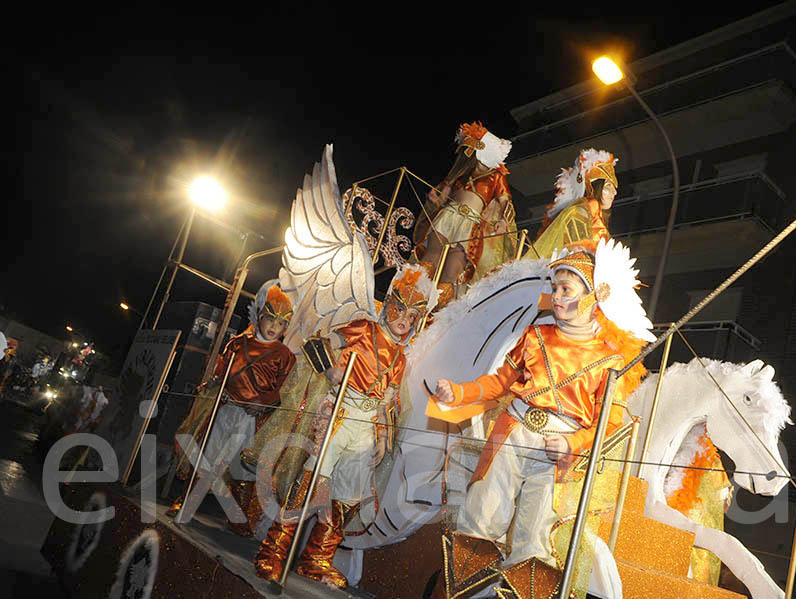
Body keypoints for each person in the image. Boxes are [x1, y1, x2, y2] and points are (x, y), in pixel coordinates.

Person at [432, 239, 655, 598]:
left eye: (566, 289)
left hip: (557, 457)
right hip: (510, 436)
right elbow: (500, 383)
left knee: (534, 542)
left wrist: (572, 442)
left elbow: (607, 425)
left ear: (594, 295)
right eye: (555, 288)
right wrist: (457, 393)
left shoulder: (613, 361)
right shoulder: (535, 336)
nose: (557, 296)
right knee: (478, 523)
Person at [253, 263, 434, 587]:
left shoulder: (400, 358)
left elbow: (385, 401)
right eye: (400, 311)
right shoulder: (364, 329)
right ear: (390, 305)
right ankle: (273, 551)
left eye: (412, 317)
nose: (404, 321)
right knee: (311, 483)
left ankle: (316, 558)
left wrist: (380, 437)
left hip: (365, 425)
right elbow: (316, 344)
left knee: (349, 497)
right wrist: (330, 372)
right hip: (339, 411)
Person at [169, 280, 297, 536]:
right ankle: (187, 502)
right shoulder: (238, 343)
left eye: (281, 323)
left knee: (244, 466)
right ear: (259, 316)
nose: (274, 327)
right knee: (207, 456)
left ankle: (237, 519)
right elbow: (221, 370)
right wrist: (214, 383)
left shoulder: (285, 355)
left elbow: (285, 390)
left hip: (252, 418)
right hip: (224, 409)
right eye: (270, 319)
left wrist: (263, 403)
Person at [415, 122, 516, 303]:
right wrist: (435, 199)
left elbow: (504, 201)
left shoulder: (496, 177)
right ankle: (412, 296)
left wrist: (503, 220)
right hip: (448, 215)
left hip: (471, 225)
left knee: (451, 273)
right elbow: (442, 197)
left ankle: (436, 315)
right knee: (431, 256)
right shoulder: (460, 174)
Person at [529, 149, 619, 258]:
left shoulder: (594, 212)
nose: (615, 192)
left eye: (614, 187)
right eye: (608, 186)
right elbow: (578, 251)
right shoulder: (588, 206)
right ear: (594, 187)